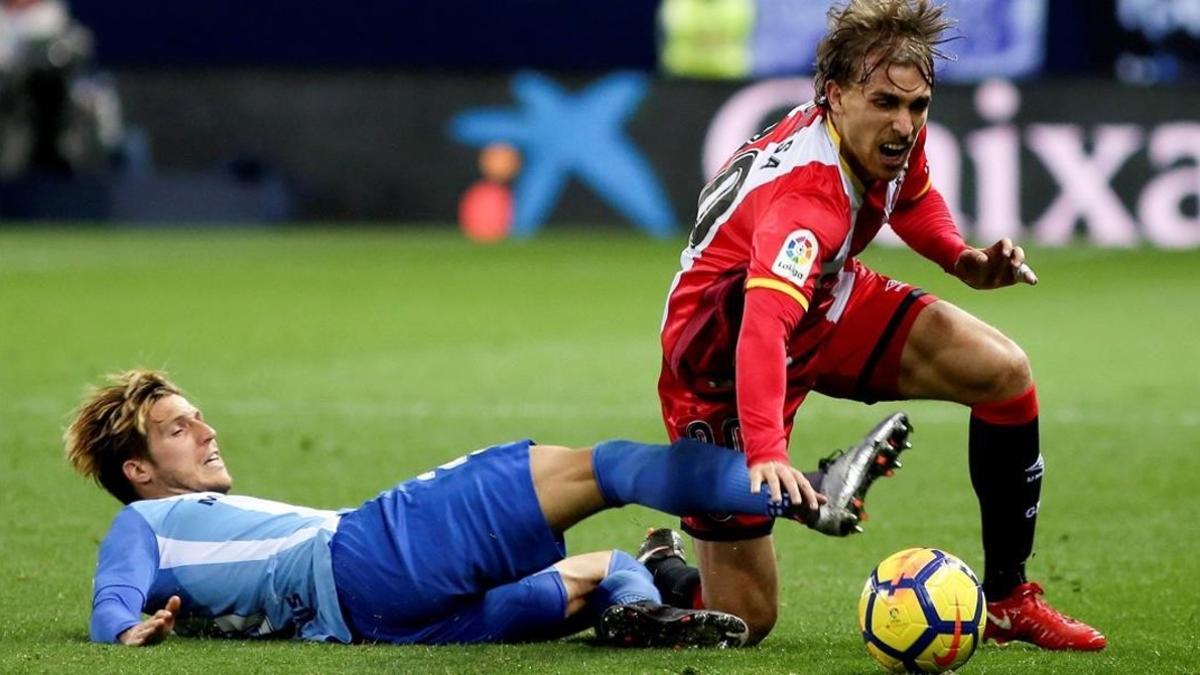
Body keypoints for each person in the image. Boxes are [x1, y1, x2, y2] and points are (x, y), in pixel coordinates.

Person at [648, 0, 1105, 651]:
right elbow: (760, 330)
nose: (905, 124)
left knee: (1002, 372)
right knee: (745, 619)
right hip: (720, 364)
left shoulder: (876, 142)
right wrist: (768, 453)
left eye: (918, 107)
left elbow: (912, 197)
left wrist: (964, 261)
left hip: (825, 302)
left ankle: (1007, 598)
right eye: (887, 103)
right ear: (835, 97)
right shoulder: (806, 202)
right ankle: (654, 572)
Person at [65, 368, 907, 648]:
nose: (206, 430)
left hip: (390, 623)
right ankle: (803, 494)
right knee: (605, 467)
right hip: (367, 558)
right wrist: (123, 630)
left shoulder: (197, 522)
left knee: (605, 570)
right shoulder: (140, 524)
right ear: (138, 468)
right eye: (179, 429)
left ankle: (650, 601)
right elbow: (111, 601)